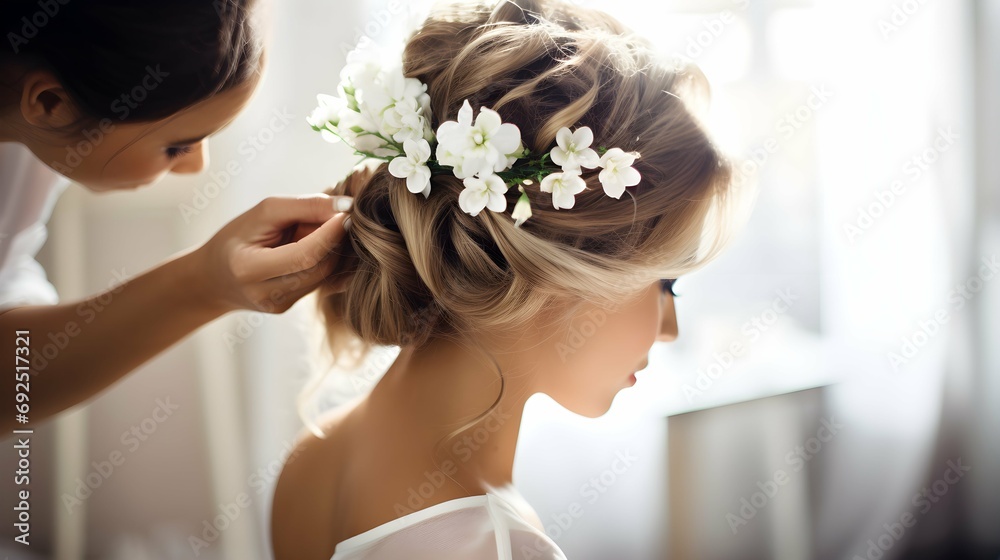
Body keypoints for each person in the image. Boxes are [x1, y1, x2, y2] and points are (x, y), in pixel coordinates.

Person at [271, 0, 749, 558]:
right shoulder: (492, 547)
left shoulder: (315, 456)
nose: (669, 329)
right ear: (561, 267)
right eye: (665, 283)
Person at [0, 0, 352, 432]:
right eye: (177, 146)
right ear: (51, 103)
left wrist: (209, 279)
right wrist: (204, 285)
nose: (195, 165)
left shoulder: (38, 125)